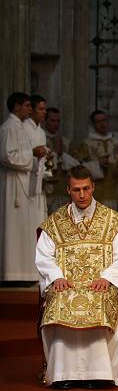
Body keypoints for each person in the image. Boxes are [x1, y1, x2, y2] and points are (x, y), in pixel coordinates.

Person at [35, 165, 118, 389]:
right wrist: (56, 277)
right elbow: (43, 257)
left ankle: (100, 374)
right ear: (68, 190)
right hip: (65, 285)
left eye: (86, 189)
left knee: (101, 301)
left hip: (101, 285)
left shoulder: (112, 221)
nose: (82, 195)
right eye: (76, 190)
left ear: (93, 188)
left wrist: (108, 278)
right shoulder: (55, 223)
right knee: (60, 301)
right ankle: (63, 374)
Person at [0, 92, 39, 282]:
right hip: (13, 182)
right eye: (27, 105)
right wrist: (32, 155)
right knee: (13, 228)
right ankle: (11, 272)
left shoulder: (20, 127)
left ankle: (22, 272)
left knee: (23, 227)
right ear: (16, 107)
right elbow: (7, 156)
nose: (30, 109)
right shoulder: (8, 127)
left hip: (23, 180)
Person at [73, 110, 118, 214]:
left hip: (114, 191)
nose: (102, 124)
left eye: (104, 120)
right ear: (93, 124)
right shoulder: (87, 144)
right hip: (95, 192)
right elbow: (78, 167)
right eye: (98, 121)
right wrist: (97, 165)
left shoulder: (117, 143)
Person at [23, 94, 50, 227]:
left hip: (39, 180)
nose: (44, 112)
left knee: (39, 218)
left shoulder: (41, 131)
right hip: (26, 179)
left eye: (45, 109)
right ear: (32, 110)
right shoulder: (23, 128)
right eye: (41, 109)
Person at [44, 107, 75, 214]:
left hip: (63, 191)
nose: (56, 124)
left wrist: (62, 155)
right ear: (45, 121)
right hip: (47, 191)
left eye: (58, 121)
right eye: (52, 121)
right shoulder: (41, 140)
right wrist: (56, 153)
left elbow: (75, 165)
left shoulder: (66, 141)